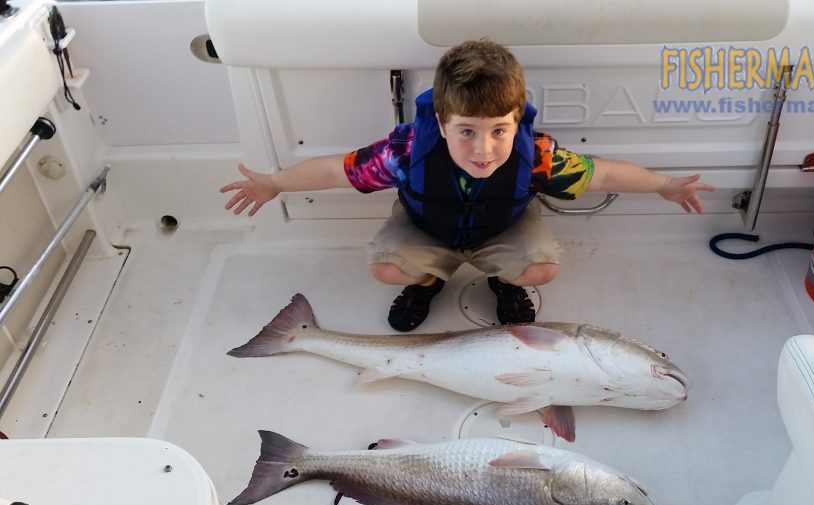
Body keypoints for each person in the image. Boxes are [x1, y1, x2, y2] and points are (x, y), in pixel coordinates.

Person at [219, 39, 714, 332]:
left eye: (499, 130)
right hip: (427, 228)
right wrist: (274, 183)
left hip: (501, 228)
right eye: (467, 132)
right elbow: (334, 169)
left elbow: (602, 172)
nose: (484, 149)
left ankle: (502, 278)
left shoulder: (536, 152)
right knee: (386, 267)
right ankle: (430, 278)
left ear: (516, 121)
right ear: (441, 120)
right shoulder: (407, 150)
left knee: (541, 267)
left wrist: (664, 184)